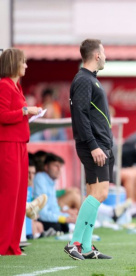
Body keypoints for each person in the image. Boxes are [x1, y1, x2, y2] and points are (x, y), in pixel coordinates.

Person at [65, 38, 113, 260]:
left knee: (94, 194)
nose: (105, 56)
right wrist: (94, 146)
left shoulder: (90, 79)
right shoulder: (84, 80)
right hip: (94, 146)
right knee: (100, 193)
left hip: (99, 145)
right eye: (103, 52)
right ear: (96, 55)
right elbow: (80, 115)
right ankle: (74, 243)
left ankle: (85, 246)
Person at [0, 48, 42, 256]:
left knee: (18, 195)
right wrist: (26, 111)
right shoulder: (4, 85)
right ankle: (4, 245)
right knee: (9, 196)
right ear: (14, 63)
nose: (26, 65)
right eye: (23, 62)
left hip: (19, 144)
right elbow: (2, 115)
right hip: (7, 144)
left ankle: (12, 245)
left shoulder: (15, 86)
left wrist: (27, 113)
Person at [33, 153, 77, 233]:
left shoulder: (51, 181)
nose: (59, 169)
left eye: (61, 166)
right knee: (60, 226)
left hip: (48, 218)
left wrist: (68, 216)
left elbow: (54, 210)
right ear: (46, 167)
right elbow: (43, 214)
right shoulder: (40, 179)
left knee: (66, 224)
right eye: (56, 166)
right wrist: (65, 218)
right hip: (39, 219)